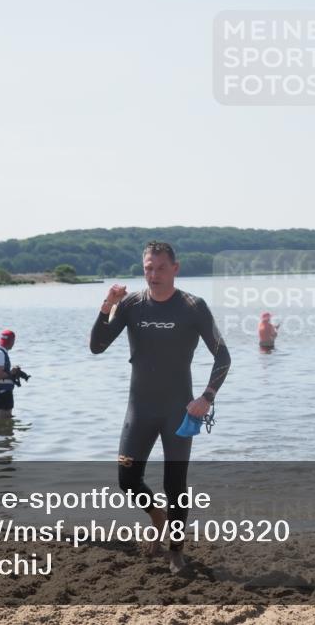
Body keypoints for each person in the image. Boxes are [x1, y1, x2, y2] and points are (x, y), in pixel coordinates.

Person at [89, 241, 230, 574]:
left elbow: (223, 356)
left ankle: (176, 552)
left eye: (161, 268)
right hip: (140, 408)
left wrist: (206, 398)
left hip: (178, 410)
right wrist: (107, 304)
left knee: (175, 485)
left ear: (175, 269)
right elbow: (96, 346)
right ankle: (156, 515)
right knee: (127, 480)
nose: (153, 275)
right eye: (148, 268)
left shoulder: (193, 307)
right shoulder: (132, 305)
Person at [0, 329, 19, 420]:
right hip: (2, 393)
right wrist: (12, 372)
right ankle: (2, 433)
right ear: (12, 341)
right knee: (5, 418)